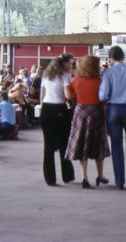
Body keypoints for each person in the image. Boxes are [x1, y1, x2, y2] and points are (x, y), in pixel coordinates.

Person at [99, 46, 126, 190]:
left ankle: (119, 181)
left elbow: (103, 95)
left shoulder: (108, 72)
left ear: (111, 58)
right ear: (123, 57)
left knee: (116, 146)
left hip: (113, 110)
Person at [65, 55, 110, 189]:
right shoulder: (99, 81)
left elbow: (71, 96)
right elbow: (104, 98)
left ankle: (84, 177)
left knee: (82, 144)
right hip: (96, 113)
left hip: (80, 113)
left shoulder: (76, 80)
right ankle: (100, 175)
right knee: (98, 145)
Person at [39, 54, 75, 186]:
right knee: (63, 144)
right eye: (70, 63)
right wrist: (73, 95)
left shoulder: (46, 76)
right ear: (64, 64)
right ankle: (67, 175)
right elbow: (67, 95)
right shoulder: (65, 76)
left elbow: (42, 96)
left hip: (46, 109)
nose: (71, 66)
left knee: (48, 146)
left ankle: (50, 178)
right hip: (60, 109)